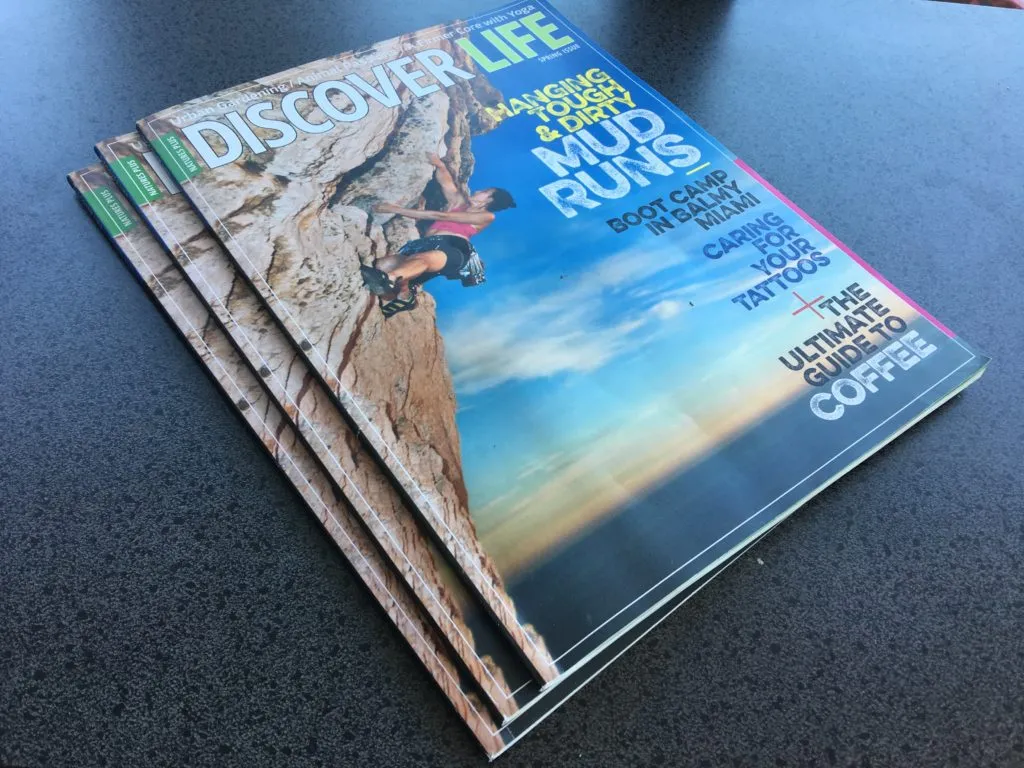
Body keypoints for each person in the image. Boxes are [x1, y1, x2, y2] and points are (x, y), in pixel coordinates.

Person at [360, 152, 515, 317]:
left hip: (453, 248)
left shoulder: (487, 216)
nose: (478, 190)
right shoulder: (459, 202)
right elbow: (447, 183)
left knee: (415, 264)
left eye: (485, 191)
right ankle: (405, 296)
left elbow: (442, 216)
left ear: (489, 200)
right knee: (382, 266)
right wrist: (439, 164)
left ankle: (390, 279)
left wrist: (395, 209)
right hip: (425, 245)